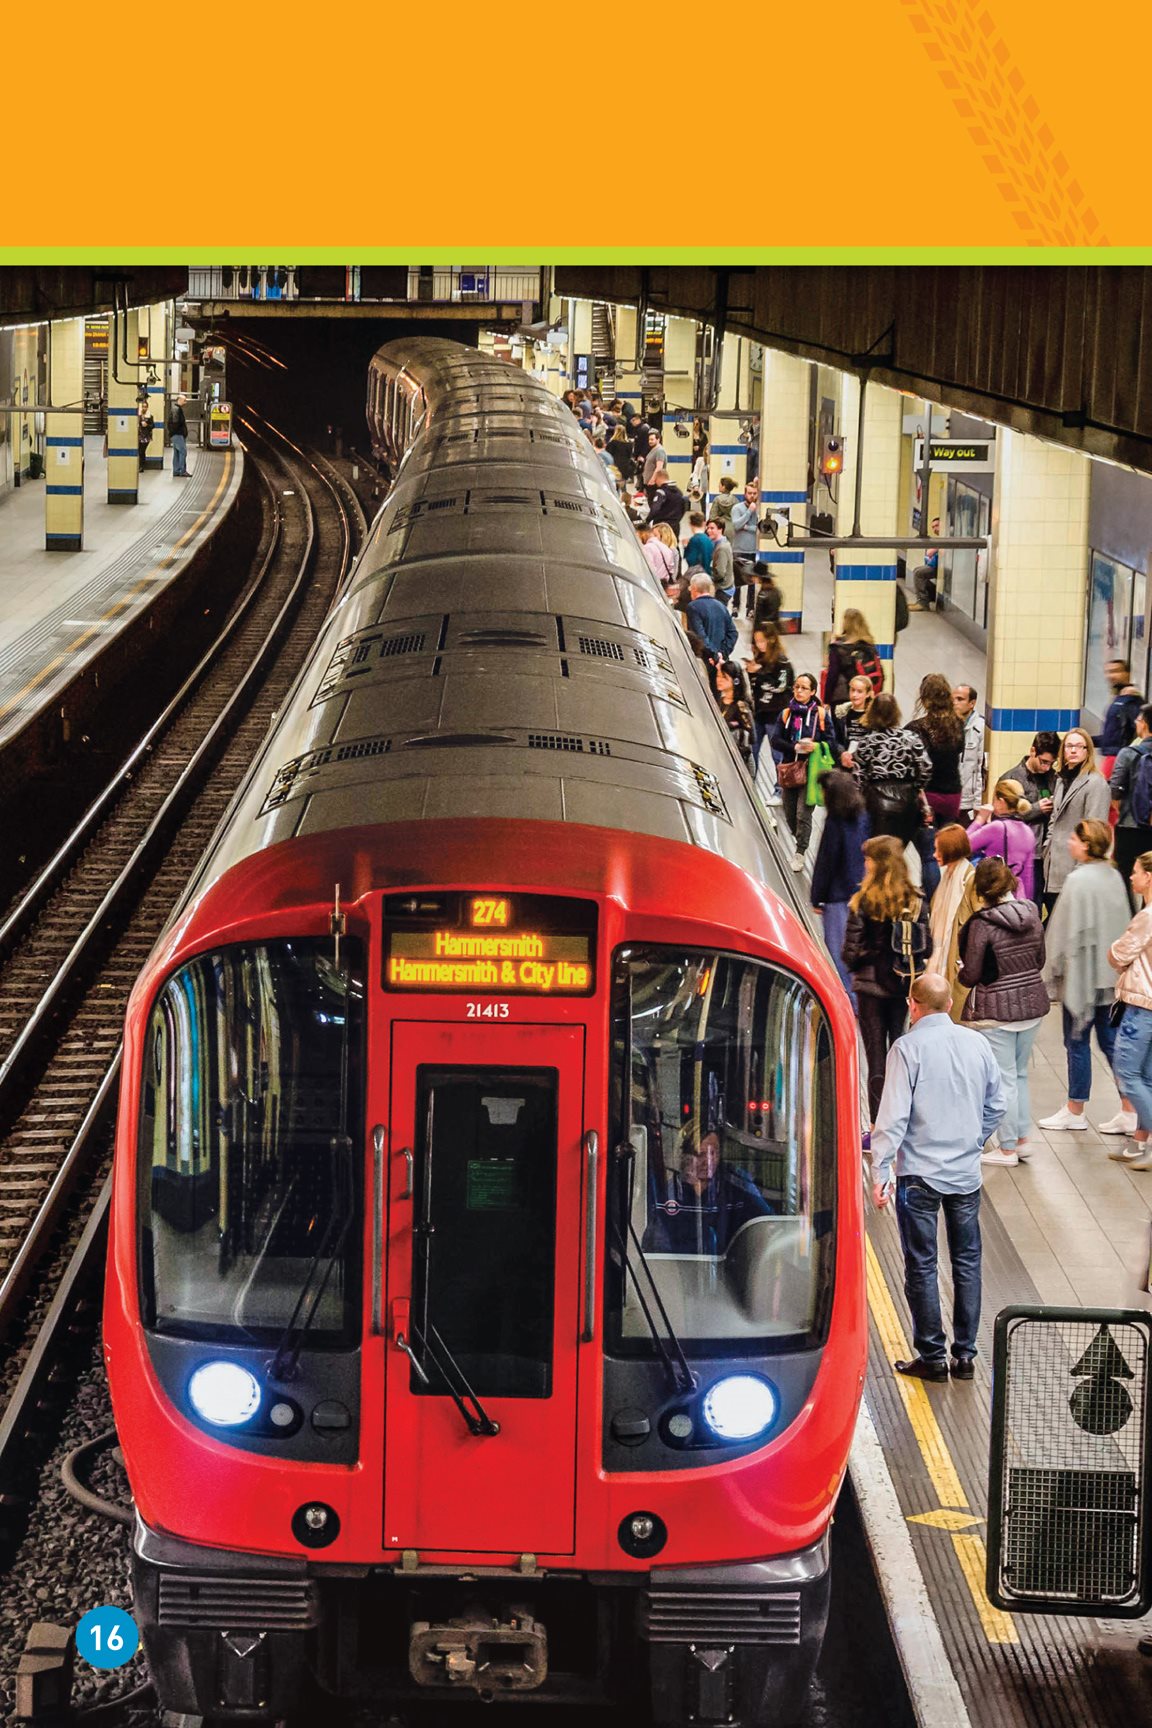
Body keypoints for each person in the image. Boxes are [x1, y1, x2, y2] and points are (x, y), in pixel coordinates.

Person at [871, 972, 1006, 1381]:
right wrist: (974, 1139)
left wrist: (879, 1169)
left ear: (913, 1005)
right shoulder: (978, 1044)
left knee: (922, 1265)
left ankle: (932, 1357)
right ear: (949, 1005)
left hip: (919, 1177)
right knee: (967, 1263)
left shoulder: (906, 1049)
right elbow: (997, 1104)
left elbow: (892, 1117)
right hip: (966, 1176)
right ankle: (965, 1356)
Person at [1040, 819, 1134, 1136]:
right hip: (1111, 980)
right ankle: (1129, 1108)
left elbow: (1062, 935)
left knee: (1077, 1042)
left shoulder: (1078, 881)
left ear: (1086, 843)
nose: (1069, 842)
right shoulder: (1115, 877)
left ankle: (1075, 1109)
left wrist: (1051, 972)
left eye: (1074, 838)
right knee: (1111, 1045)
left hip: (1083, 978)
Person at [957, 857, 1048, 1167]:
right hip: (1033, 1007)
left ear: (981, 890)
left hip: (997, 1012)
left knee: (1004, 1079)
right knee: (1019, 1075)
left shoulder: (982, 924)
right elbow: (1039, 960)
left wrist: (959, 972)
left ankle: (1007, 1148)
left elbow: (971, 974)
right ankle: (1022, 1139)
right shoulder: (1032, 911)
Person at [843, 836, 933, 1120]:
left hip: (870, 988)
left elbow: (850, 953)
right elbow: (927, 946)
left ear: (877, 864)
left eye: (868, 858)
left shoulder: (863, 902)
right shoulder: (916, 900)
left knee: (876, 1059)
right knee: (900, 1050)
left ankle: (877, 1123)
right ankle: (902, 1116)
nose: (865, 864)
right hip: (902, 985)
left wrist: (867, 955)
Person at [643, 1124, 775, 1254]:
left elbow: (767, 1223)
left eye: (714, 1153)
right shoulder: (668, 1195)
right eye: (700, 1154)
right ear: (685, 1157)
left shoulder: (737, 1186)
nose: (708, 1162)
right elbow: (657, 1247)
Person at [1107, 851, 1152, 1169]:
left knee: (1128, 1073)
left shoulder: (1148, 916)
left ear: (1149, 876)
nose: (1132, 876)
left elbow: (1119, 954)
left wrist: (1113, 950)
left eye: (1136, 872)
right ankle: (1139, 1143)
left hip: (1140, 1004)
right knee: (1146, 1077)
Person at [810, 770, 869, 1009]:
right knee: (857, 946)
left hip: (837, 895)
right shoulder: (864, 815)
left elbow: (827, 860)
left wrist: (817, 896)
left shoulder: (835, 821)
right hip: (862, 891)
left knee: (838, 950)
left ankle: (849, 1000)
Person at [1042, 728, 1111, 913]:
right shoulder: (1061, 780)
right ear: (1063, 751)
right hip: (1053, 865)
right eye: (1069, 746)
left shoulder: (1096, 784)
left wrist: (1083, 867)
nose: (1073, 751)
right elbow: (1054, 819)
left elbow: (1095, 832)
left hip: (1075, 865)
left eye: (1079, 747)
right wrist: (1047, 847)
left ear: (1087, 751)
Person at [851, 692, 933, 847]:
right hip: (907, 803)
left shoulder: (867, 741)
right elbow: (926, 767)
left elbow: (858, 776)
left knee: (877, 851)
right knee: (897, 851)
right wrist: (915, 787)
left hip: (876, 802)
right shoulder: (911, 739)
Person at [772, 674, 836, 871]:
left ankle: (800, 851)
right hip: (791, 770)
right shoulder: (786, 714)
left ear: (813, 692)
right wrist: (795, 747)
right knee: (790, 813)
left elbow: (832, 744)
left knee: (802, 814)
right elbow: (775, 740)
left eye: (804, 688)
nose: (799, 691)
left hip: (812, 772)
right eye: (796, 687)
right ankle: (800, 836)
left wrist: (815, 746)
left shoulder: (821, 715)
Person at [930, 825, 980, 1023]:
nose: (935, 855)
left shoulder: (969, 879)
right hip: (942, 960)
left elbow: (979, 923)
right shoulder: (946, 876)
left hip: (958, 964)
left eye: (938, 850)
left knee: (956, 1019)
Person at [906, 673, 965, 828]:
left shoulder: (917, 728)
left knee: (928, 847)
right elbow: (959, 749)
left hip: (927, 795)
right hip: (952, 794)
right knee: (947, 845)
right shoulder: (958, 725)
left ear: (924, 699)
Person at [967, 779, 1039, 902]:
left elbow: (961, 845)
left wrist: (979, 819)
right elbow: (1028, 877)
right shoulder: (1028, 832)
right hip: (1016, 899)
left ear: (1000, 801)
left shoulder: (997, 828)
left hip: (994, 895)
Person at [1109, 702, 1152, 902]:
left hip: (1130, 826)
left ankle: (1129, 923)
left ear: (1143, 724)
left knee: (1125, 879)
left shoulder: (1128, 753)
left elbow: (1115, 790)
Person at [1003, 731, 1061, 859]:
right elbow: (1004, 819)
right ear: (1033, 751)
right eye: (1044, 762)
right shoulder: (1012, 779)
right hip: (1022, 853)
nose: (1047, 768)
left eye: (1052, 763)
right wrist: (1036, 809)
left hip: (1048, 850)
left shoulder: (1055, 778)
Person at [744, 625, 794, 755]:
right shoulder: (759, 659)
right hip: (759, 712)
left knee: (777, 755)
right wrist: (750, 673)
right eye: (756, 641)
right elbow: (754, 686)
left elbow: (780, 686)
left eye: (762, 641)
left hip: (776, 714)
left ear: (771, 639)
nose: (759, 645)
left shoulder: (782, 662)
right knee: (751, 752)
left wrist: (759, 673)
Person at [1095, 659, 1144, 774]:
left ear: (1127, 673)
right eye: (1108, 672)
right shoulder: (1119, 698)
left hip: (1118, 759)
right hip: (1111, 757)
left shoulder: (1130, 700)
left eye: (1116, 671)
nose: (1111, 676)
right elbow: (1111, 736)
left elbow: (1142, 731)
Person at [824, 609, 882, 705]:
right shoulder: (868, 645)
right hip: (864, 696)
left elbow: (832, 676)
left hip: (842, 697)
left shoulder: (838, 648)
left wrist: (826, 700)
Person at [686, 574, 738, 662]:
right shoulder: (721, 606)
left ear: (694, 589)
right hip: (720, 661)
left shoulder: (693, 607)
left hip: (704, 659)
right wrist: (722, 653)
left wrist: (714, 655)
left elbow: (699, 635)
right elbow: (733, 633)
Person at [952, 684, 985, 822]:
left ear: (972, 703)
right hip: (950, 797)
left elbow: (981, 768)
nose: (955, 703)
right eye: (953, 699)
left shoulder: (980, 728)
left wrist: (978, 803)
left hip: (968, 801)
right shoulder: (948, 725)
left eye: (960, 699)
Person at [714, 659, 755, 766]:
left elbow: (752, 736)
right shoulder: (721, 700)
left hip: (738, 761)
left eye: (725, 677)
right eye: (719, 676)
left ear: (735, 681)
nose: (719, 680)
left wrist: (730, 726)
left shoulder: (741, 706)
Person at [730, 481, 760, 618]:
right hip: (738, 548)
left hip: (753, 550)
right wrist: (749, 512)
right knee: (738, 579)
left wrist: (747, 527)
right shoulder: (737, 508)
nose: (752, 496)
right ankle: (735, 606)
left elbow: (759, 529)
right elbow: (736, 525)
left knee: (752, 581)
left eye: (754, 493)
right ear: (745, 494)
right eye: (750, 493)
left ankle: (750, 608)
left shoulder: (759, 509)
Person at [834, 674, 874, 765]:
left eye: (859, 691)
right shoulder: (841, 713)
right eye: (852, 690)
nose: (854, 695)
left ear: (867, 694)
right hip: (845, 759)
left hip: (865, 761)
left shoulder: (873, 716)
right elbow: (836, 739)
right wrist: (842, 753)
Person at [704, 518, 735, 604]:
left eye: (712, 528)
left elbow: (720, 573)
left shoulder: (722, 548)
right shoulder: (717, 544)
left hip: (722, 589)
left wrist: (707, 578)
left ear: (720, 529)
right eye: (708, 528)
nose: (708, 530)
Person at [647, 469, 686, 534]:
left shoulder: (661, 492)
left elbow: (655, 509)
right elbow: (684, 507)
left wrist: (647, 520)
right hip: (675, 526)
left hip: (661, 527)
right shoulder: (679, 492)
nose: (656, 482)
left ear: (659, 478)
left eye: (656, 480)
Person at [707, 474, 738, 539]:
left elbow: (712, 517)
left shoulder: (717, 499)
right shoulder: (735, 500)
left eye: (720, 484)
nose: (718, 486)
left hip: (719, 528)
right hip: (731, 529)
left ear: (724, 487)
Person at [608, 422, 636, 489]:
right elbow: (630, 455)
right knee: (623, 486)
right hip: (625, 467)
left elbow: (608, 455)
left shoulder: (612, 443)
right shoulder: (629, 444)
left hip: (615, 467)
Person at [168, 393, 189, 477]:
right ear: (179, 400)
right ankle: (182, 470)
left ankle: (176, 470)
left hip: (175, 434)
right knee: (183, 452)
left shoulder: (175, 409)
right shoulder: (176, 410)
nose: (185, 402)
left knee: (177, 453)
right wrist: (179, 432)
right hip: (177, 434)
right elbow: (175, 422)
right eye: (184, 401)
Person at [137, 401, 154, 469]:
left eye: (145, 407)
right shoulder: (139, 416)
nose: (144, 408)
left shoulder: (150, 416)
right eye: (143, 407)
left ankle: (142, 466)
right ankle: (141, 465)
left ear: (147, 407)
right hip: (140, 435)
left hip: (146, 436)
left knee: (142, 450)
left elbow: (153, 426)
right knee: (140, 451)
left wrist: (147, 425)